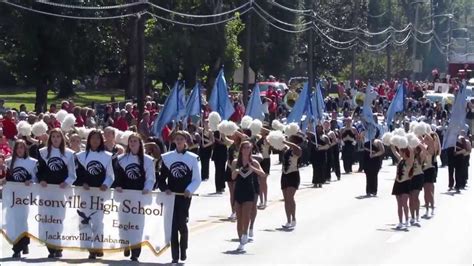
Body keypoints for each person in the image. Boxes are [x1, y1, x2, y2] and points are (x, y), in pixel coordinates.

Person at [158, 131, 201, 264]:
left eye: (181, 139)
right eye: (177, 139)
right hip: (171, 197)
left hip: (184, 196)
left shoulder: (193, 158)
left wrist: (189, 190)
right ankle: (175, 256)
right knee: (172, 226)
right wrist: (165, 189)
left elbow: (196, 179)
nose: (179, 141)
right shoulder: (167, 157)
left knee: (181, 224)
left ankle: (183, 248)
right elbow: (161, 179)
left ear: (186, 141)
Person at [115, 133, 156, 262]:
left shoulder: (148, 160)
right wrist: (118, 186)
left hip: (139, 198)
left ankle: (135, 252)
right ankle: (125, 244)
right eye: (131, 141)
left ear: (140, 144)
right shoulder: (121, 159)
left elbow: (150, 178)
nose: (132, 143)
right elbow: (117, 177)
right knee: (124, 223)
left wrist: (147, 188)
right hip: (124, 197)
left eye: (135, 141)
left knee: (137, 226)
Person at [37, 128, 77, 258]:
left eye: (58, 137)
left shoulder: (69, 154)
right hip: (46, 191)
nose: (55, 139)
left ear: (62, 138)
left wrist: (66, 182)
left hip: (60, 192)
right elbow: (39, 171)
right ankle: (50, 248)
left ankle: (58, 245)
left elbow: (72, 174)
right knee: (47, 218)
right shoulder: (43, 153)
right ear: (50, 138)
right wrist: (41, 179)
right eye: (53, 136)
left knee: (58, 218)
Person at [74, 130, 114, 259]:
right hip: (85, 193)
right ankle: (89, 247)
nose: (95, 141)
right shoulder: (81, 156)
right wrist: (82, 183)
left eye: (98, 138)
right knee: (84, 219)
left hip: (100, 193)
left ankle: (98, 246)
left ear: (101, 140)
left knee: (98, 221)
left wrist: (106, 184)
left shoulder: (107, 156)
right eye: (93, 138)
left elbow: (110, 175)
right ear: (89, 140)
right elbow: (77, 175)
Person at [3, 140, 38, 258]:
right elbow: (6, 179)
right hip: (12, 197)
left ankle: (23, 244)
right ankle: (18, 246)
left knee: (22, 220)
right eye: (17, 148)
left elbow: (35, 179)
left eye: (22, 148)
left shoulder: (32, 162)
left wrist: (30, 181)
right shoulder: (9, 162)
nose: (19, 150)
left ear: (25, 149)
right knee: (13, 221)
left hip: (25, 197)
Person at [231, 141, 266, 251]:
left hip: (249, 190)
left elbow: (263, 174)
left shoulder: (254, 162)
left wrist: (253, 168)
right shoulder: (235, 162)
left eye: (249, 148)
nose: (247, 150)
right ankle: (241, 238)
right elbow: (232, 177)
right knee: (239, 218)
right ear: (241, 149)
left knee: (246, 215)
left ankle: (245, 234)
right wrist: (236, 172)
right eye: (245, 148)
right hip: (239, 190)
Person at [281, 135, 303, 228]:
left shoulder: (298, 150)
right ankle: (288, 220)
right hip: (284, 175)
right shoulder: (287, 149)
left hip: (293, 175)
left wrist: (285, 141)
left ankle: (293, 218)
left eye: (291, 139)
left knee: (290, 198)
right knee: (286, 199)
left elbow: (295, 147)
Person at [391, 145, 414, 230]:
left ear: (404, 151)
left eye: (400, 150)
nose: (399, 151)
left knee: (405, 203)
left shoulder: (409, 161)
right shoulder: (400, 159)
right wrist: (392, 141)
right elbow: (393, 150)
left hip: (405, 183)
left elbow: (412, 153)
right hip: (397, 183)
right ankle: (400, 222)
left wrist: (407, 143)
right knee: (399, 204)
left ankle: (407, 220)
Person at [422, 131, 440, 218]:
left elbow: (432, 141)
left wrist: (425, 131)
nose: (425, 140)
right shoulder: (423, 147)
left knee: (429, 190)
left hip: (430, 169)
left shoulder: (432, 148)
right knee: (425, 191)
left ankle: (432, 207)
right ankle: (427, 209)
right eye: (425, 139)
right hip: (423, 170)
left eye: (426, 139)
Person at [362, 130, 385, 197]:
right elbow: (361, 140)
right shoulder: (366, 140)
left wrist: (374, 155)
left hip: (375, 161)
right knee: (368, 175)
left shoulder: (378, 142)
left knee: (374, 175)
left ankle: (374, 190)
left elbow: (382, 151)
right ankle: (368, 190)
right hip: (367, 160)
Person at [409, 143, 426, 226]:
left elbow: (425, 150)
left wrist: (417, 142)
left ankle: (417, 215)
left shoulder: (420, 157)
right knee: (410, 198)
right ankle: (412, 216)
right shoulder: (407, 157)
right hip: (409, 178)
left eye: (415, 148)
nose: (413, 149)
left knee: (415, 197)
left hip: (418, 177)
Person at [255, 128, 271, 209]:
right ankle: (261, 200)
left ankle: (265, 200)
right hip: (260, 160)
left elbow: (270, 132)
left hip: (266, 160)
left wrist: (265, 132)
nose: (261, 132)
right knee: (259, 181)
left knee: (264, 181)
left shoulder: (269, 139)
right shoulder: (258, 139)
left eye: (262, 131)